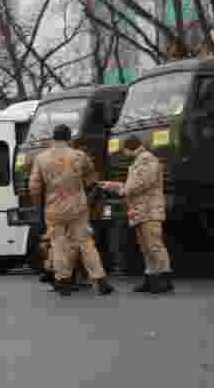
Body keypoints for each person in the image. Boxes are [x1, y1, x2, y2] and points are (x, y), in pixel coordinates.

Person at [29, 125, 114, 296]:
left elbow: (34, 187)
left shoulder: (41, 158)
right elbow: (92, 180)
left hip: (54, 206)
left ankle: (62, 281)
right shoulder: (79, 155)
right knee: (85, 243)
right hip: (77, 205)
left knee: (58, 244)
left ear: (54, 138)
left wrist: (39, 207)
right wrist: (88, 198)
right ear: (69, 138)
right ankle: (99, 279)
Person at [102, 136, 173, 293]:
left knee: (154, 245)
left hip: (150, 210)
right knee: (146, 247)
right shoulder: (140, 160)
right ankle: (151, 278)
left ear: (129, 147)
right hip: (141, 210)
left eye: (124, 150)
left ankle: (164, 278)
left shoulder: (147, 160)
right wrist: (111, 185)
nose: (124, 153)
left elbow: (139, 184)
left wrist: (121, 189)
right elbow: (133, 185)